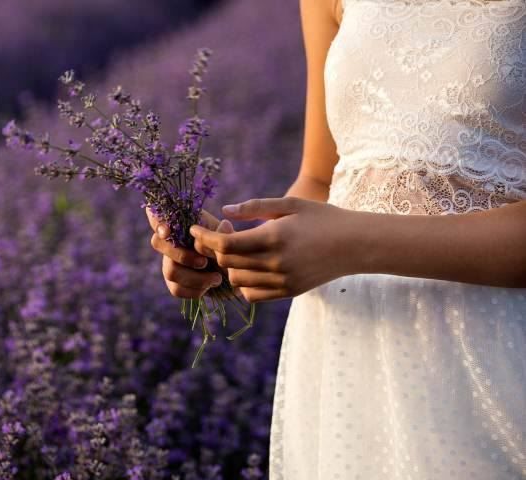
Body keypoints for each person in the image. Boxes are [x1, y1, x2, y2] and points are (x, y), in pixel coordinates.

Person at [147, 0, 526, 477]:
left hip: (493, 356)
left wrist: (349, 244)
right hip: (348, 359)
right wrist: (236, 253)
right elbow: (322, 178)